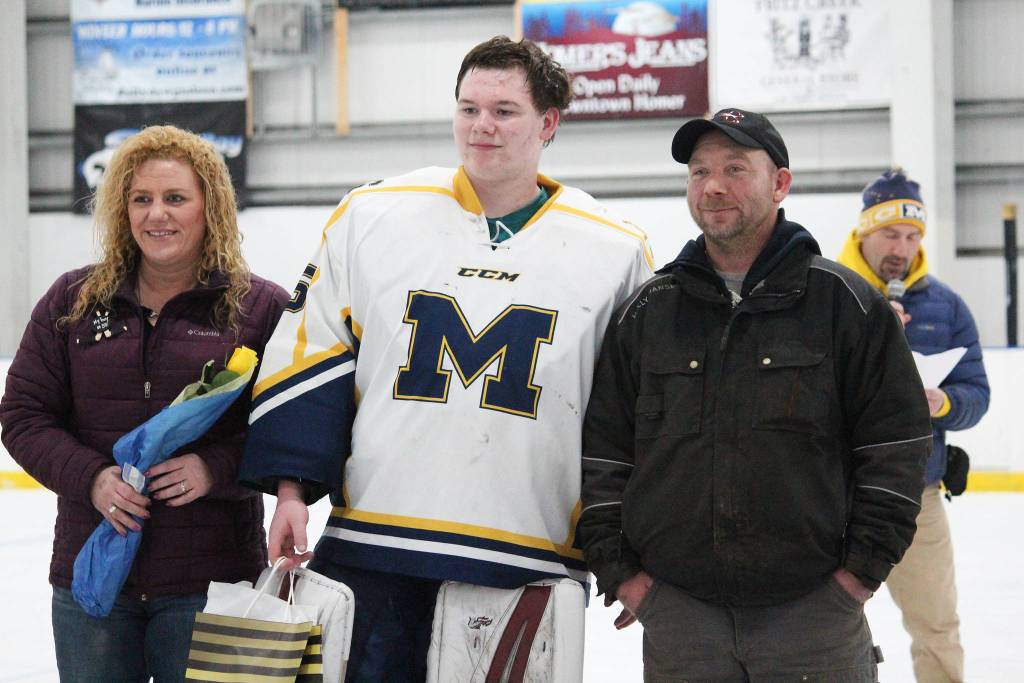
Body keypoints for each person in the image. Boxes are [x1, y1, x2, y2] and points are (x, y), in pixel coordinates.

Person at [237, 35, 654, 681]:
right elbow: (314, 347)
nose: (481, 125)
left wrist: (628, 547)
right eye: (468, 107)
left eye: (504, 110)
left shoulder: (615, 248)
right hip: (376, 540)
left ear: (548, 123)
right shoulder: (373, 212)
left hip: (526, 547)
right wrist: (292, 485)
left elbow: (629, 413)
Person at [579, 108, 934, 681]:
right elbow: (603, 452)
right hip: (680, 621)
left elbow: (896, 448)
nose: (713, 186)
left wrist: (858, 577)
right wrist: (623, 575)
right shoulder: (648, 312)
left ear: (781, 183)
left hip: (814, 617)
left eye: (735, 169)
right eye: (699, 172)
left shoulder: (847, 305)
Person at [0, 125, 289, 682]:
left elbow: (290, 428)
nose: (158, 214)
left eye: (176, 198)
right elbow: (23, 415)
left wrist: (216, 468)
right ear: (122, 208)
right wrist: (91, 478)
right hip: (94, 585)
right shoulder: (72, 301)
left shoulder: (258, 309)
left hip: (213, 583)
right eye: (142, 199)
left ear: (211, 206)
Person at [837, 169, 989, 683]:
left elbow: (977, 394)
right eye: (890, 233)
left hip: (915, 496)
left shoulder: (945, 307)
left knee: (937, 626)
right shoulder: (828, 290)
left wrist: (943, 402)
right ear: (863, 232)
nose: (901, 247)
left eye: (912, 235)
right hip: (830, 494)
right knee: (817, 627)